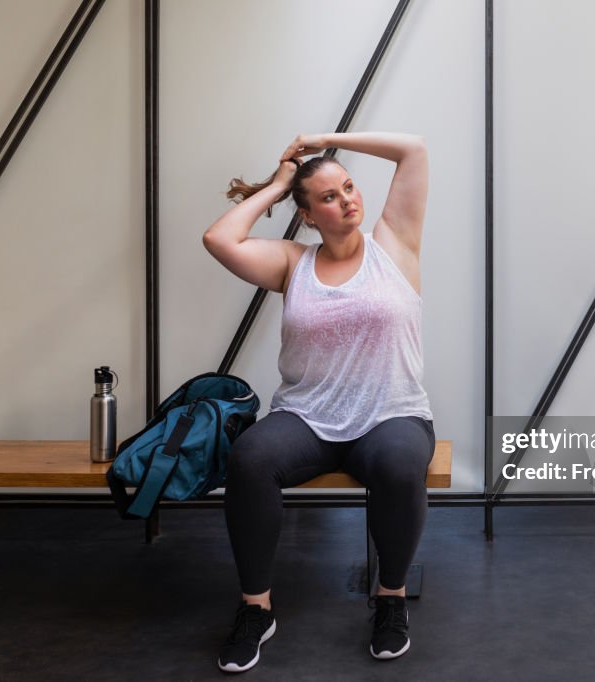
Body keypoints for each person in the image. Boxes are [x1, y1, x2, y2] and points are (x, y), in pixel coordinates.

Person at [202, 132, 435, 673]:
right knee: (251, 458)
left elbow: (414, 151)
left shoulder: (394, 243)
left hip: (390, 414)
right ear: (307, 216)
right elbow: (219, 238)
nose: (347, 199)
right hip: (308, 418)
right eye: (328, 197)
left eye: (349, 187)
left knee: (403, 464)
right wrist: (281, 184)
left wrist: (327, 141)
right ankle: (256, 609)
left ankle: (390, 599)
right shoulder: (291, 263)